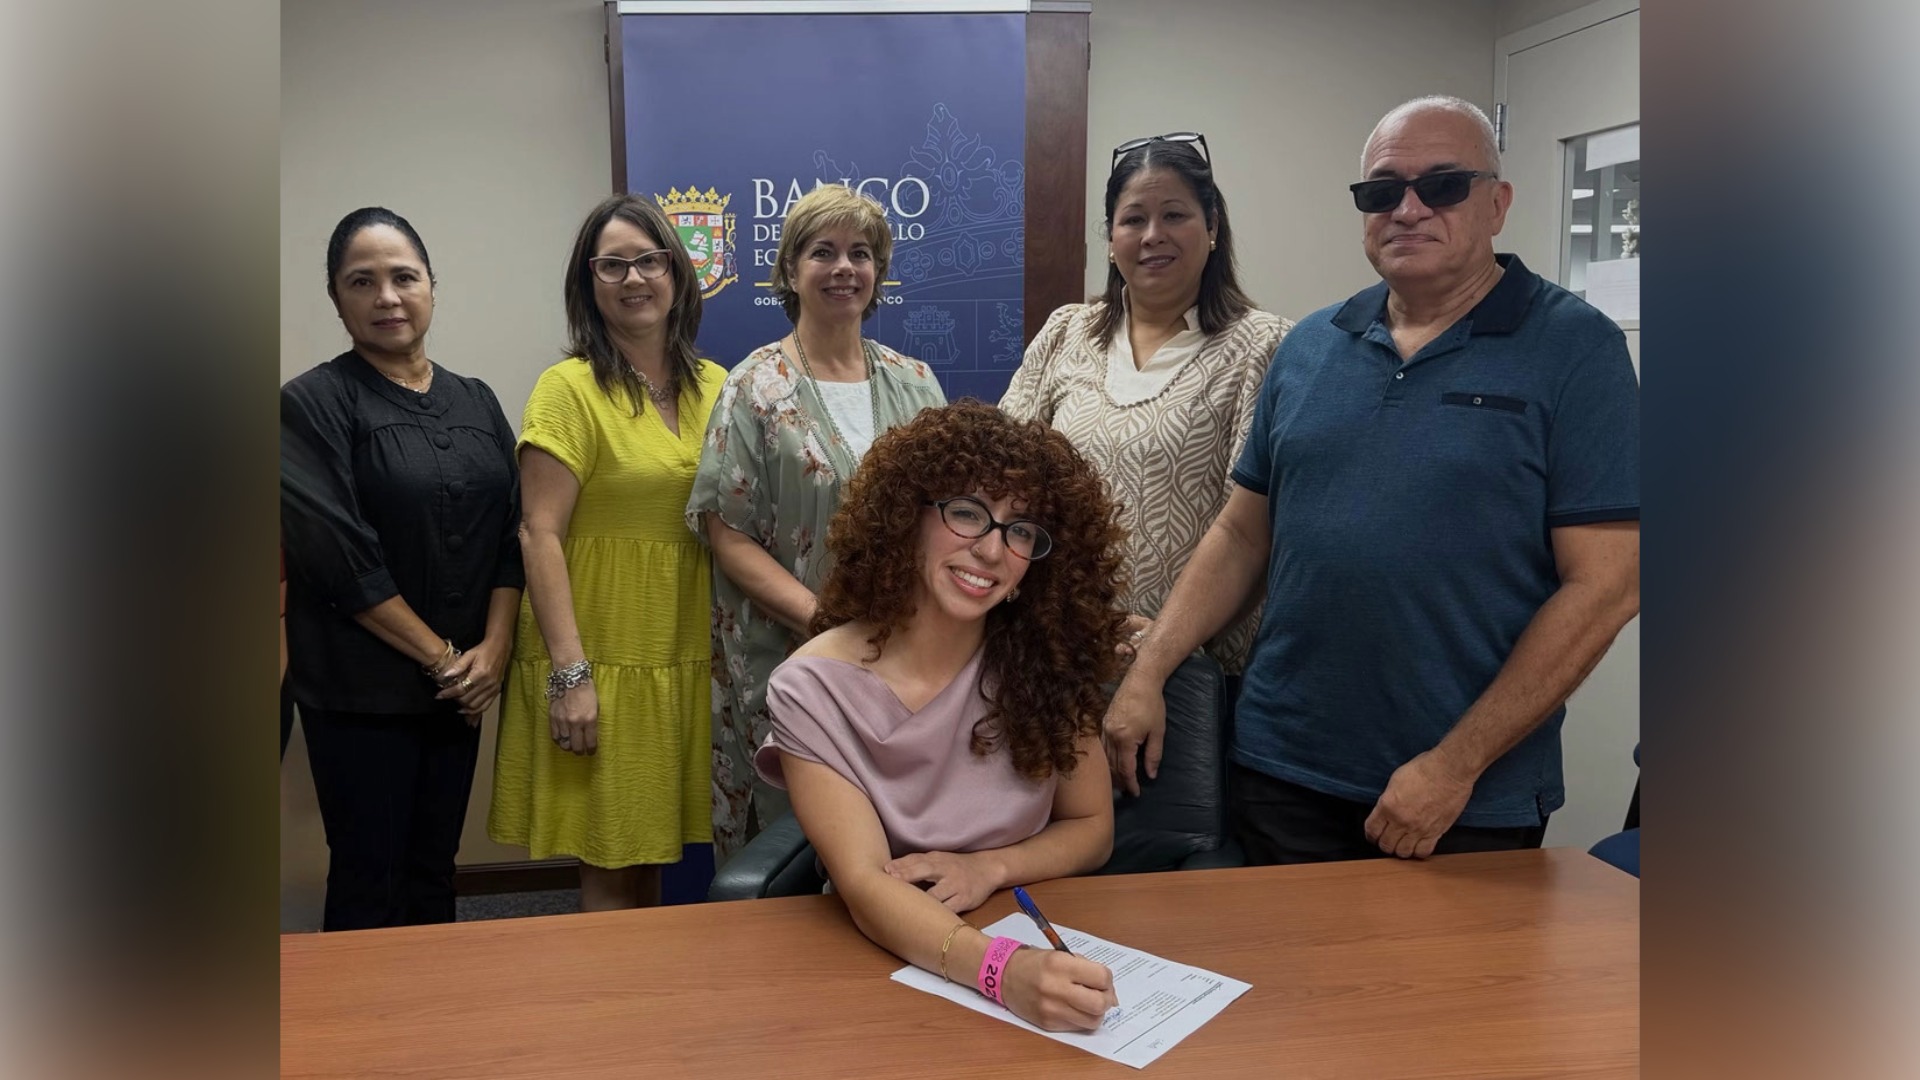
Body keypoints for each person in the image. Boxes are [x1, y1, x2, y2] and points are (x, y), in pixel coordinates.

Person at [1104, 96, 1641, 864]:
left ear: (1497, 203)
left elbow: (1608, 586)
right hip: (1277, 770)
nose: (1408, 209)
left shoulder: (1574, 349)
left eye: (1442, 185)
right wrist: (1149, 671)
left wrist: (1454, 765)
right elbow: (1243, 534)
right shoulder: (1312, 346)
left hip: (1461, 797)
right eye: (1382, 191)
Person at [755, 401, 1128, 1032]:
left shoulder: (1048, 660)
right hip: (888, 955)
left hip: (1035, 926)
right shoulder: (812, 688)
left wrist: (989, 867)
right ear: (908, 517)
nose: (991, 550)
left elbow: (1093, 827)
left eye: (1020, 530)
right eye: (967, 513)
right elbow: (865, 883)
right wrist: (1001, 970)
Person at [281, 207, 524, 930]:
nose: (387, 297)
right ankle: (357, 1012)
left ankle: (433, 1007)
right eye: (362, 281)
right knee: (370, 875)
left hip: (459, 691)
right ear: (336, 298)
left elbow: (512, 533)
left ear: (431, 288)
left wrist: (495, 650)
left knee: (434, 870)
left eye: (404, 277)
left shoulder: (475, 398)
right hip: (360, 692)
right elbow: (340, 558)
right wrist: (446, 661)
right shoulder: (309, 404)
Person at [689, 184, 947, 859]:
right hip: (790, 656)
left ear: (878, 271)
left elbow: (947, 521)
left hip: (903, 658)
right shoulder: (753, 387)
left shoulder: (916, 382)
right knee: (793, 852)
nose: (844, 268)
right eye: (823, 252)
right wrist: (827, 623)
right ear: (790, 269)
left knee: (896, 844)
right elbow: (728, 536)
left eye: (860, 254)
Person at [486, 195, 727, 911]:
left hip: (681, 648)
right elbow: (538, 533)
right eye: (612, 265)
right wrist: (571, 676)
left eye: (649, 260)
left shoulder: (719, 386)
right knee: (609, 857)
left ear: (677, 272)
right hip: (599, 651)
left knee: (649, 852)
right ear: (587, 283)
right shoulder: (568, 389)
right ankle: (611, 988)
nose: (634, 278)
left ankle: (644, 985)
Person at [1001, 132, 1290, 671]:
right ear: (1111, 238)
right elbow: (1002, 476)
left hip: (1192, 668)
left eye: (1174, 215)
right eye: (1134, 219)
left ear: (1212, 227)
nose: (1153, 235)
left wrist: (1164, 646)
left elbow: (1259, 531)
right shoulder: (1066, 332)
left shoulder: (1264, 347)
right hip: (1055, 653)